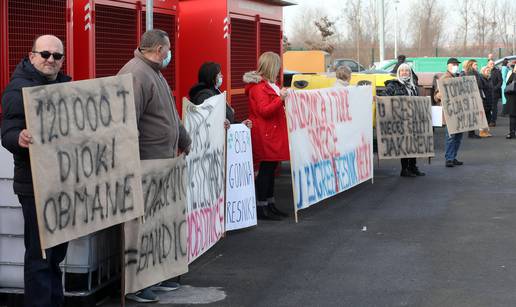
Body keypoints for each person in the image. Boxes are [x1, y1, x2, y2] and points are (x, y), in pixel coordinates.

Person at [118, 29, 191, 303]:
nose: (169, 54)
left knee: (158, 223)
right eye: (168, 49)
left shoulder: (153, 72)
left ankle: (155, 276)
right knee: (141, 227)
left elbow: (168, 114)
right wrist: (132, 164)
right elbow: (128, 122)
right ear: (160, 49)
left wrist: (184, 138)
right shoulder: (136, 73)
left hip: (161, 163)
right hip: (145, 164)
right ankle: (137, 285)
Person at [1, 35, 70, 307]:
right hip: (35, 186)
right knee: (41, 255)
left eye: (57, 56)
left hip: (62, 183)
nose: (51, 60)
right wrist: (19, 138)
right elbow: (8, 132)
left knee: (55, 255)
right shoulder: (17, 90)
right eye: (45, 54)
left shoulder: (67, 86)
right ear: (31, 56)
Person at [244, 52, 289, 221]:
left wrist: (281, 98)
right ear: (271, 66)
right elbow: (264, 111)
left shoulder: (270, 85)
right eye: (277, 65)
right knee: (266, 170)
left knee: (271, 170)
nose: (279, 69)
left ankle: (270, 204)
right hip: (265, 133)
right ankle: (262, 206)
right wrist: (280, 99)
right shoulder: (258, 88)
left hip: (271, 132)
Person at [383, 63, 425, 177]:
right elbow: (384, 99)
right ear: (399, 73)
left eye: (407, 71)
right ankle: (404, 169)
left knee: (413, 143)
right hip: (400, 120)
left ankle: (413, 166)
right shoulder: (393, 85)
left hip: (413, 119)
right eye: (402, 71)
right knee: (405, 144)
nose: (405, 72)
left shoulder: (413, 86)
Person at [188, 62, 252, 129]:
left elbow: (225, 121)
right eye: (219, 74)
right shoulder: (204, 96)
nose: (222, 76)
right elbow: (209, 124)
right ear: (211, 77)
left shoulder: (215, 91)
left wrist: (241, 125)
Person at [434, 58, 464, 168]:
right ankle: (449, 158)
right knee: (451, 136)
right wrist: (440, 95)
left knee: (458, 137)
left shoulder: (457, 77)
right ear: (448, 66)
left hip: (459, 111)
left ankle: (453, 157)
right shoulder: (444, 78)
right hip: (450, 112)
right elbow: (436, 96)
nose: (456, 66)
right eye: (454, 64)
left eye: (457, 64)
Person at [461, 59, 484, 139]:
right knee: (472, 114)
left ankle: (472, 132)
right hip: (472, 96)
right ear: (471, 65)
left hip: (475, 95)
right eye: (475, 64)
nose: (476, 66)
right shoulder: (471, 73)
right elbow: (474, 84)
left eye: (477, 64)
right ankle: (471, 133)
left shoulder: (475, 73)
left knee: (473, 114)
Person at [479, 66, 493, 137]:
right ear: (483, 71)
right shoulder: (481, 78)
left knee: (488, 116)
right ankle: (482, 132)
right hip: (484, 99)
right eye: (487, 71)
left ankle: (486, 131)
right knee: (483, 116)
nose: (488, 72)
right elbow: (481, 89)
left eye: (489, 71)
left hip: (489, 99)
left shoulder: (489, 78)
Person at [488, 60, 503, 126]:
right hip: (487, 92)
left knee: (494, 107)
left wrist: (495, 88)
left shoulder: (497, 71)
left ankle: (493, 121)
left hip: (495, 92)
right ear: (488, 64)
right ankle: (489, 120)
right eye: (491, 63)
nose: (492, 64)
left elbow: (500, 81)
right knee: (488, 106)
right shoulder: (486, 70)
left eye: (493, 63)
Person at [505, 64, 516, 139]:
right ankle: (512, 132)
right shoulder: (513, 74)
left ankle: (512, 132)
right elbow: (507, 85)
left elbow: (507, 85)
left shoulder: (513, 74)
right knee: (512, 116)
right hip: (512, 98)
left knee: (512, 116)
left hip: (512, 97)